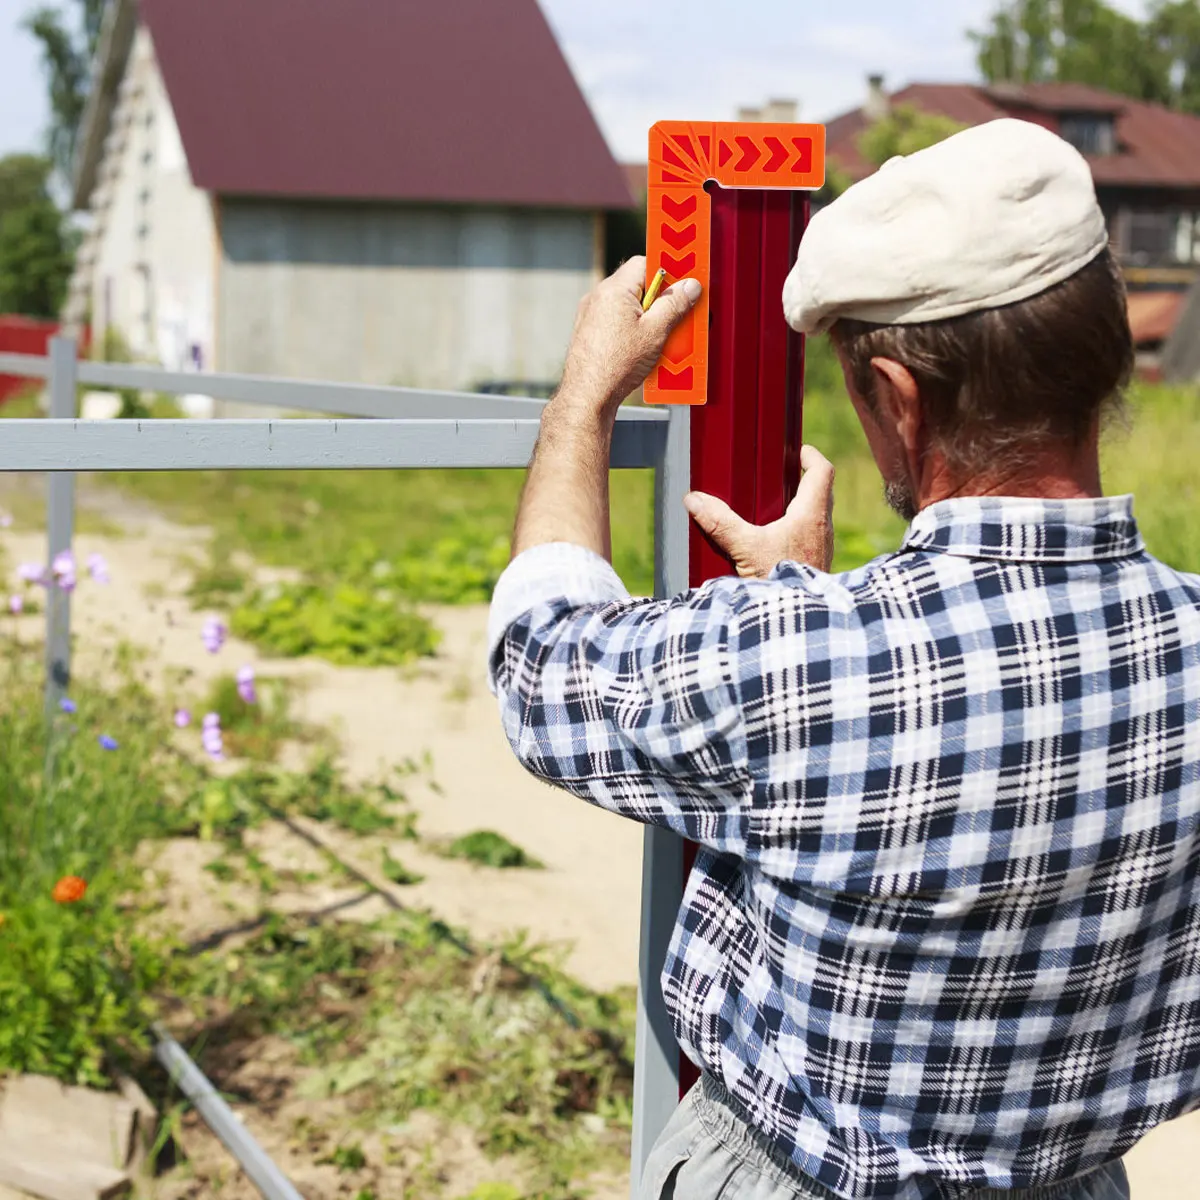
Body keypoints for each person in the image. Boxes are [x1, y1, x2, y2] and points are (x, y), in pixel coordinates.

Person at [487, 118, 1199, 1200]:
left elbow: (542, 667)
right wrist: (809, 609)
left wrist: (583, 403)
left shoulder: (803, 664)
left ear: (897, 400)